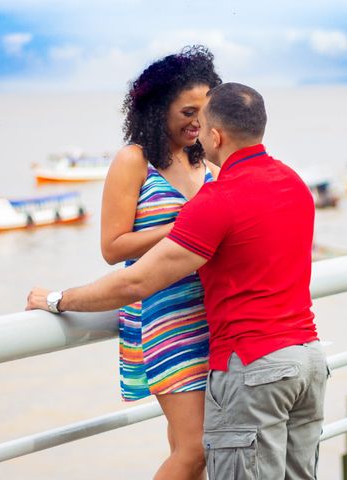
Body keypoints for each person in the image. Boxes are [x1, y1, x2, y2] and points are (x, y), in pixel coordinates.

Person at [27, 82, 329, 479]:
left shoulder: (219, 199)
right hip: (307, 358)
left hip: (252, 364)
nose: (197, 134)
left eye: (201, 123)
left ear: (216, 136)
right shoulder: (293, 184)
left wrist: (57, 299)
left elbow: (134, 284)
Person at [100, 45, 221, 480]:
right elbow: (114, 248)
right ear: (156, 109)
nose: (199, 122)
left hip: (214, 311)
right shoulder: (134, 161)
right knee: (196, 447)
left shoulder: (207, 160)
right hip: (162, 313)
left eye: (206, 112)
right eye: (188, 111)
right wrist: (187, 226)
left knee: (186, 445)